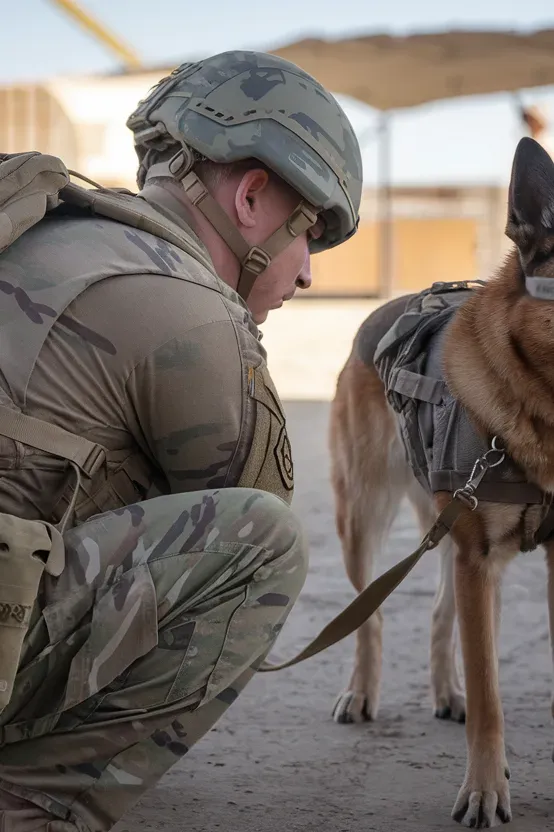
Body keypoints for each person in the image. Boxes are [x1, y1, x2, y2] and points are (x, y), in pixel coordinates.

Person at [0, 50, 362, 831]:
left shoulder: (40, 229)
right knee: (259, 546)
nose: (305, 276)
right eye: (311, 235)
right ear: (254, 195)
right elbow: (245, 519)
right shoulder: (192, 312)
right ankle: (27, 804)